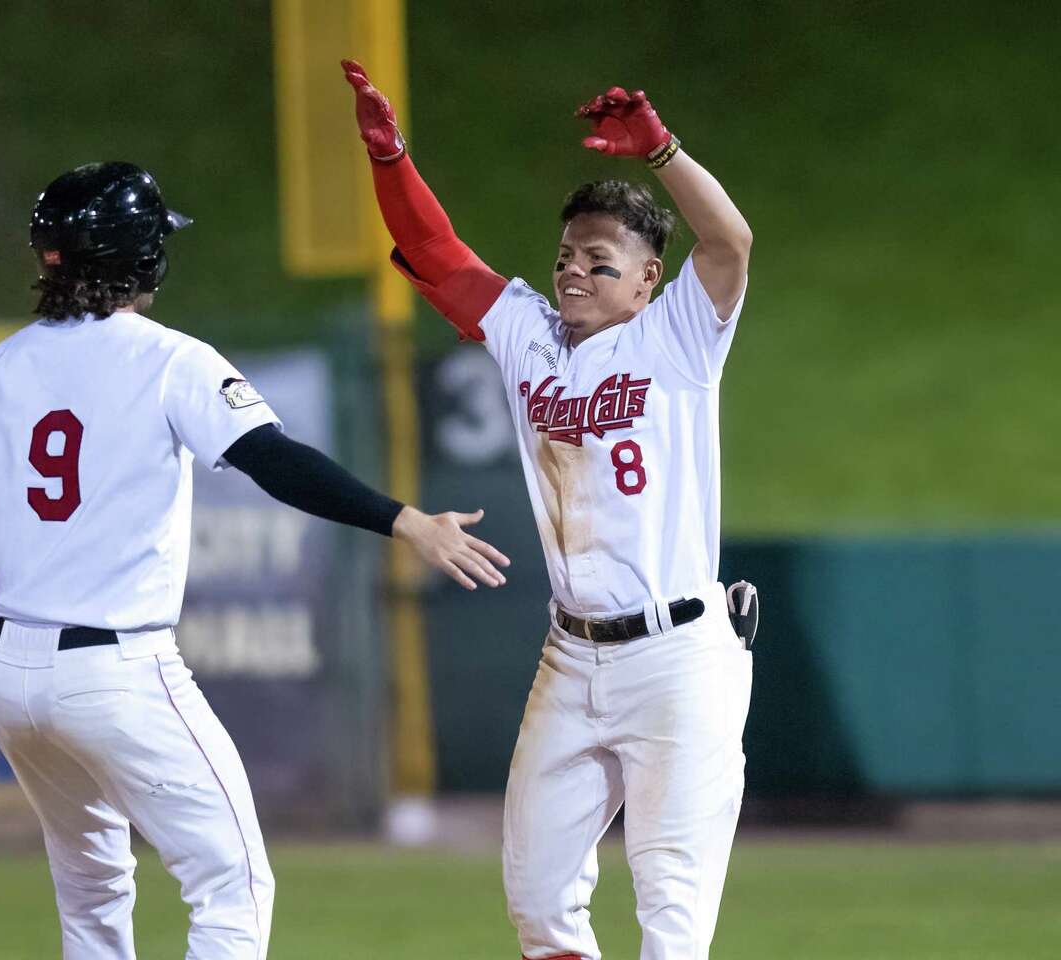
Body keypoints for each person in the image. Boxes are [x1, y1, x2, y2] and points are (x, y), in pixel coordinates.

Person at [0, 160, 510, 960]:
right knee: (232, 884)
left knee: (93, 890)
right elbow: (275, 462)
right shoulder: (171, 359)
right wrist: (405, 519)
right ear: (145, 259)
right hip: (115, 672)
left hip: (9, 678)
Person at [343, 61, 754, 960]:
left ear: (647, 280)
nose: (574, 271)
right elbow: (441, 255)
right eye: (567, 255)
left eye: (600, 262)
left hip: (678, 657)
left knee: (672, 922)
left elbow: (727, 242)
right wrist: (390, 157)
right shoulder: (529, 332)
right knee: (538, 904)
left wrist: (664, 151)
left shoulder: (677, 335)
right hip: (571, 656)